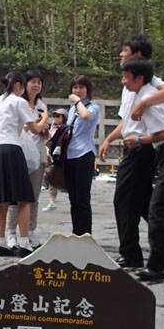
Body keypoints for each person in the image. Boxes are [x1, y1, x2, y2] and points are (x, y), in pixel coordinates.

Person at [98, 37, 164, 267]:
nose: (121, 54)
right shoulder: (128, 86)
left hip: (144, 147)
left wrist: (144, 104)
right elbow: (127, 120)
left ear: (138, 56)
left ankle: (132, 254)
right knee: (143, 203)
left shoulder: (150, 83)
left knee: (124, 199)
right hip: (133, 145)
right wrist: (110, 139)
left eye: (125, 51)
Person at [119, 58, 164, 281]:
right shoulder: (150, 92)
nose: (123, 81)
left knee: (158, 210)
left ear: (139, 78)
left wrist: (140, 140)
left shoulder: (146, 98)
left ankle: (158, 265)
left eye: (126, 76)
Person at [0, 71, 48, 257]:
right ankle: (25, 243)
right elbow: (35, 129)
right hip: (12, 148)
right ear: (19, 85)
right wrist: (44, 117)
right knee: (24, 198)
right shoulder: (19, 101)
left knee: (2, 199)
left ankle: (1, 243)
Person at [6, 68, 49, 250]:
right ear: (24, 84)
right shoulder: (17, 104)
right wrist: (38, 124)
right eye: (33, 82)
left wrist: (45, 129)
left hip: (37, 155)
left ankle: (30, 231)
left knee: (34, 197)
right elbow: (25, 127)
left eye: (39, 82)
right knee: (15, 197)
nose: (36, 85)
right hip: (19, 154)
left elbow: (43, 132)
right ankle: (11, 233)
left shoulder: (42, 106)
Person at [64, 74, 100, 237]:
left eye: (81, 87)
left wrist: (77, 101)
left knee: (83, 197)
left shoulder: (92, 107)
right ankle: (76, 231)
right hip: (70, 155)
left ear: (88, 90)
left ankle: (86, 233)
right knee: (73, 198)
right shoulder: (72, 110)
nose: (78, 90)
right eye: (75, 87)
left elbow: (86, 116)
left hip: (84, 154)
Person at [44, 108, 68, 211]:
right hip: (52, 155)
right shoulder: (53, 128)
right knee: (52, 178)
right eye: (54, 116)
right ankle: (52, 201)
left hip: (63, 157)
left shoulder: (66, 129)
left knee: (66, 179)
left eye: (58, 116)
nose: (56, 118)